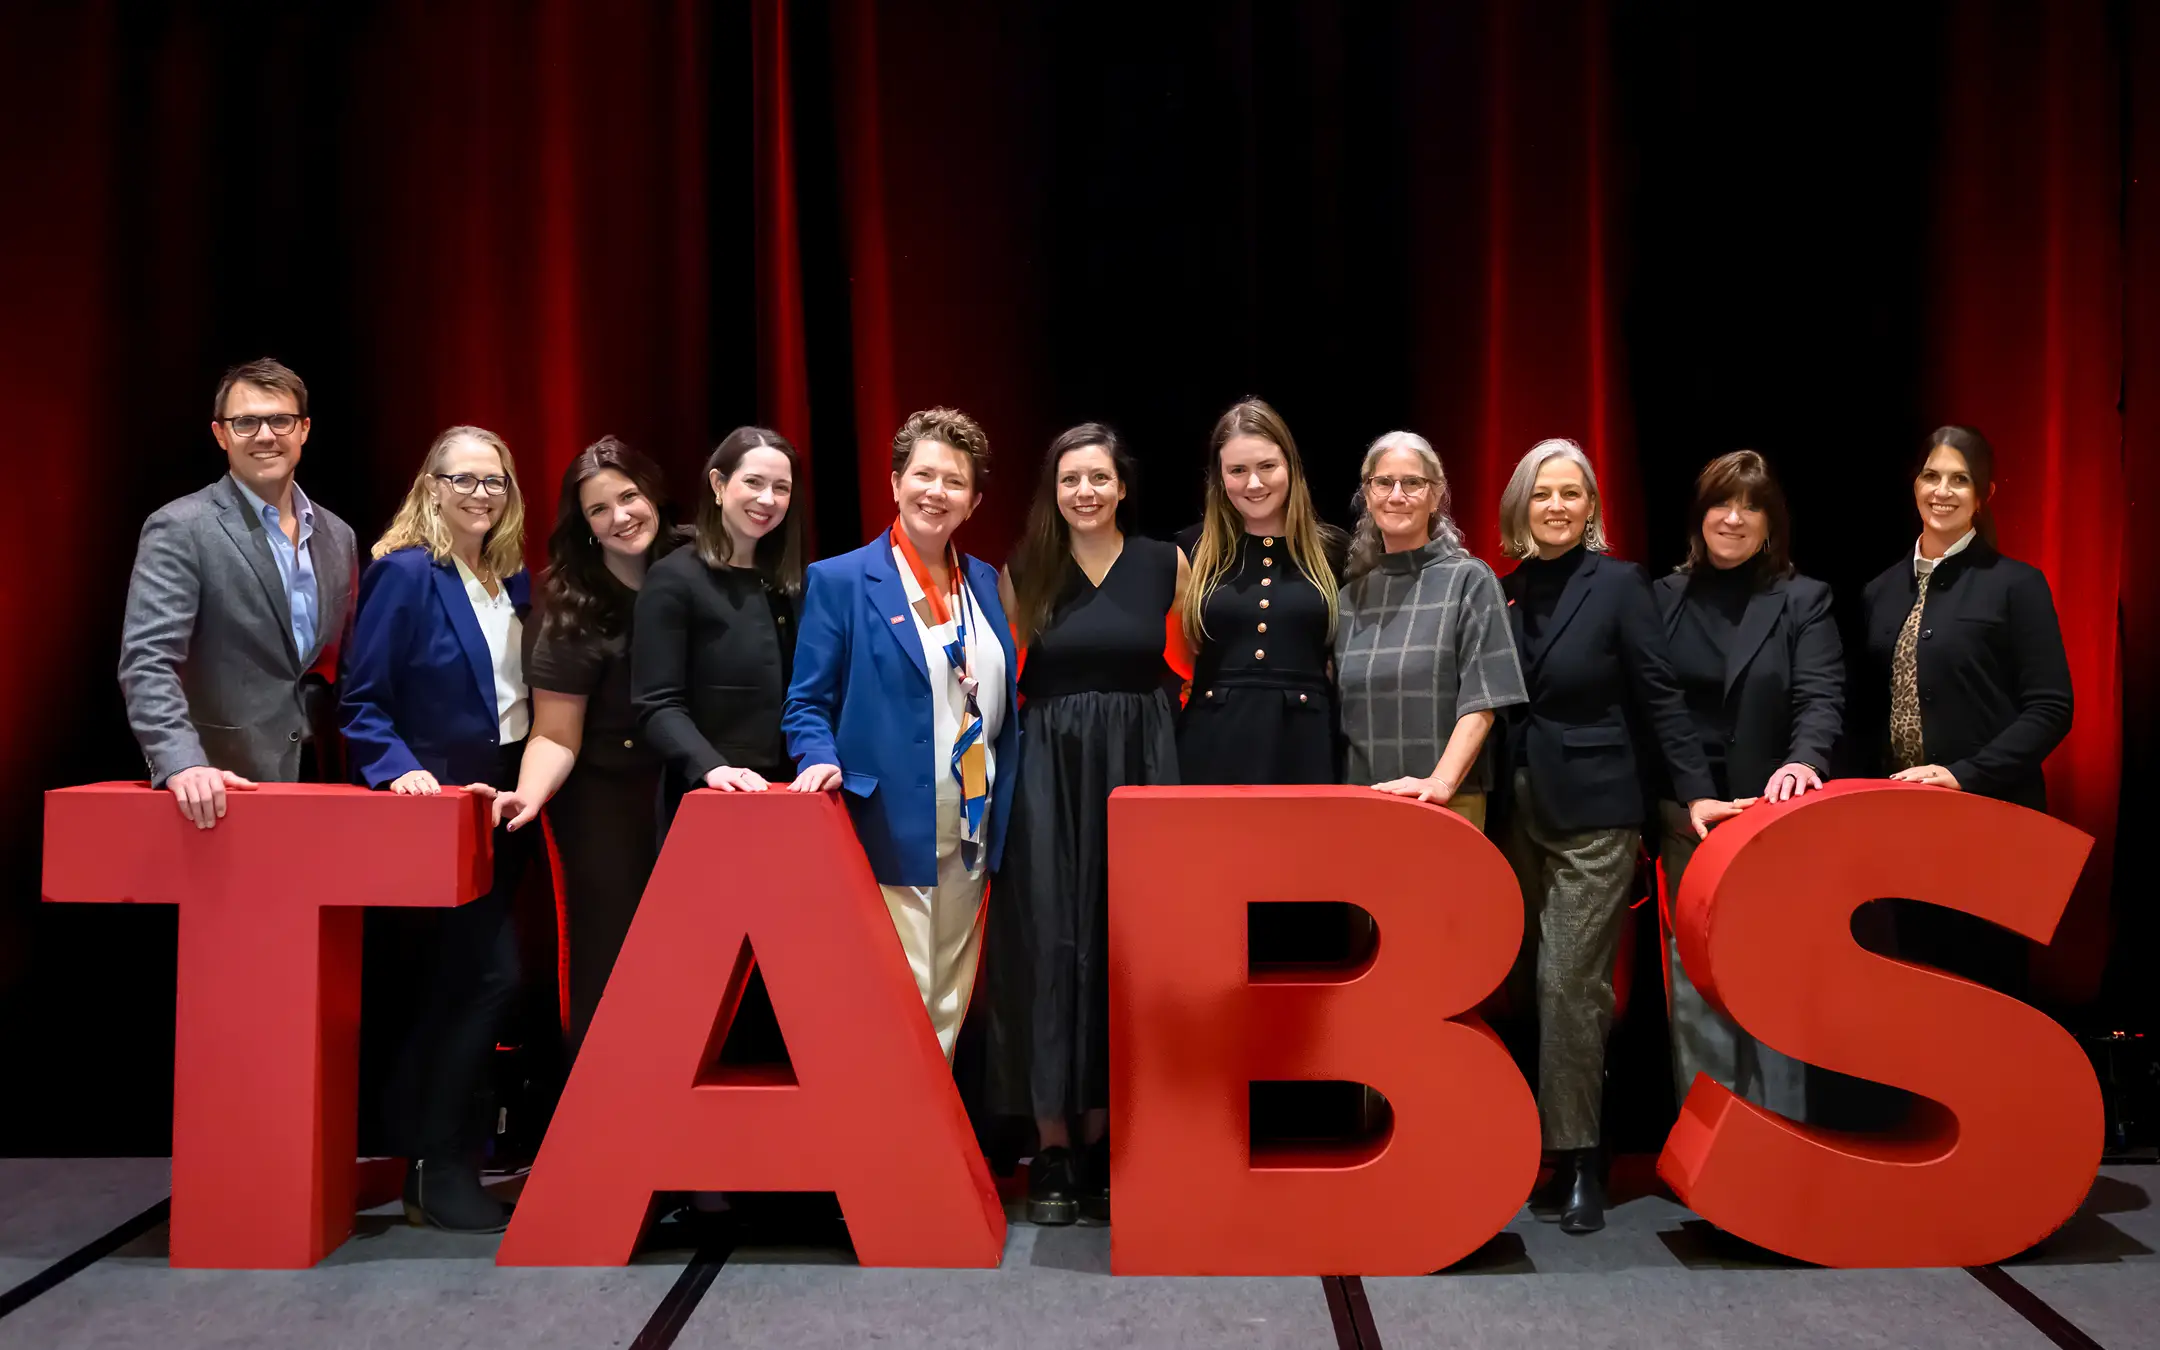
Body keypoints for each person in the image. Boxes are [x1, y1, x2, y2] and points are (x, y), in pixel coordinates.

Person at [1494, 438, 1721, 1235]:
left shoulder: (1621, 585)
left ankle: (1585, 1157)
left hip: (1598, 807)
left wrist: (1693, 792)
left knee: (1569, 983)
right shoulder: (1505, 588)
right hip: (1514, 810)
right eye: (1543, 494)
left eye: (1573, 494)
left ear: (1591, 507)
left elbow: (1660, 697)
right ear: (1521, 504)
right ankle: (1553, 1154)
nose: (1557, 506)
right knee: (1527, 985)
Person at [986, 423, 1188, 1226]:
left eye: (1099, 477)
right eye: (1071, 479)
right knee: (1052, 941)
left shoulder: (1165, 564)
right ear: (1054, 489)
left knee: (1127, 940)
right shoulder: (1022, 571)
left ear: (1122, 486)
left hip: (1143, 760)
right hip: (1052, 768)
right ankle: (1053, 1146)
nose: (1085, 492)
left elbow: (1193, 672)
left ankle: (1108, 1140)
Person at [340, 425, 533, 1233]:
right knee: (481, 980)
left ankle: (454, 1162)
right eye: (465, 480)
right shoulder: (407, 574)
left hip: (506, 806)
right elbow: (362, 698)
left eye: (495, 481)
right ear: (432, 487)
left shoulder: (511, 581)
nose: (481, 494)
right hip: (436, 813)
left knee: (472, 986)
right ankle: (433, 1164)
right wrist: (398, 769)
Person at [783, 408, 1020, 1059]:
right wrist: (817, 758)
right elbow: (806, 703)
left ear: (972, 502)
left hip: (974, 821)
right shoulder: (841, 580)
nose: (935, 492)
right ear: (894, 482)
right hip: (889, 820)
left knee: (949, 997)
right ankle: (888, 1150)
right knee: (899, 997)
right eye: (923, 474)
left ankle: (924, 1147)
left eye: (954, 481)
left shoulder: (985, 584)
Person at [1652, 450, 1843, 1120]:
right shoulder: (1662, 599)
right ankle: (1713, 1150)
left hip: (1775, 820)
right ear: (1700, 516)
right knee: (1696, 986)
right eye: (1720, 503)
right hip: (1693, 819)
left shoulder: (1802, 600)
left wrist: (1803, 764)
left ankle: (1780, 1155)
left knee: (1777, 984)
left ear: (1771, 524)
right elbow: (1658, 707)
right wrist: (1694, 793)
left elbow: (1820, 697)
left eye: (1751, 506)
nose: (1733, 518)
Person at [1860, 425, 2072, 994]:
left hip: (1993, 825)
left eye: (1961, 479)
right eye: (1932, 476)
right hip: (1904, 831)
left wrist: (1962, 775)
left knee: (1989, 994)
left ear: (1985, 495)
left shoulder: (2017, 585)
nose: (1943, 491)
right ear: (1914, 484)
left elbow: (2052, 707)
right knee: (1918, 987)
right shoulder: (1879, 592)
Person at [485, 438, 680, 1054]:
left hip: (689, 788)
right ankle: (604, 1114)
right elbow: (553, 731)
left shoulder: (698, 566)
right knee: (610, 950)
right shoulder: (569, 604)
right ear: (585, 526)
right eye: (600, 509)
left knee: (690, 955)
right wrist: (530, 792)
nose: (620, 516)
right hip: (603, 798)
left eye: (629, 497)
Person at [119, 358, 358, 825]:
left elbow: (340, 666)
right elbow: (147, 660)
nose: (266, 435)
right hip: (218, 787)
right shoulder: (180, 528)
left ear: (304, 429)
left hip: (326, 782)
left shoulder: (338, 534)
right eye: (246, 422)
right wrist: (181, 761)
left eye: (280, 420)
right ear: (220, 434)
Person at [1335, 430, 1525, 831]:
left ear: (1436, 495)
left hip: (1445, 802)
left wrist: (1440, 783)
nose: (1396, 495)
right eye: (1383, 482)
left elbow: (1483, 702)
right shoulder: (1349, 599)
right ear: (1368, 494)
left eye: (1413, 483)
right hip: (1362, 803)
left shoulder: (1469, 580)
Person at [632, 427, 807, 828]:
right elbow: (656, 704)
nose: (768, 499)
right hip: (709, 794)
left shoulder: (794, 582)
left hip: (792, 792)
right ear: (719, 484)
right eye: (753, 482)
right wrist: (712, 768)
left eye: (781, 488)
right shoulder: (674, 578)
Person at [1175, 398, 1344, 787]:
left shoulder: (1334, 551)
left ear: (1291, 466)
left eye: (1267, 466)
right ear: (1219, 478)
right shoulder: (1191, 551)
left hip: (1307, 746)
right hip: (1211, 744)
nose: (1253, 483)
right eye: (1238, 470)